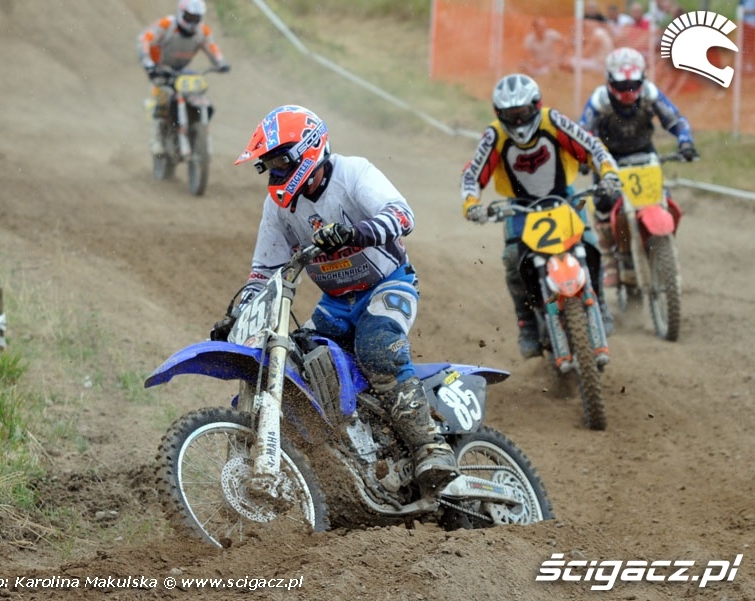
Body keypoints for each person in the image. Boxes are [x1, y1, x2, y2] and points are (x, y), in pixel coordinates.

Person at [211, 105, 458, 490]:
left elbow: (402, 215)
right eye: (269, 165)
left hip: (388, 284)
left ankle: (430, 446)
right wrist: (239, 314)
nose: (275, 172)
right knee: (294, 364)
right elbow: (264, 271)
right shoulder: (278, 206)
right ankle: (343, 455)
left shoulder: (352, 172)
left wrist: (354, 233)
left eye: (280, 162)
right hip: (336, 304)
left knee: (377, 348)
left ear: (306, 150)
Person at [460, 74, 621, 359]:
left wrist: (608, 173)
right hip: (520, 207)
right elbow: (472, 174)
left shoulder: (552, 120)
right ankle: (527, 325)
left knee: (590, 243)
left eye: (522, 112)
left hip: (564, 198)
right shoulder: (494, 135)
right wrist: (472, 204)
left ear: (535, 106)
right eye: (511, 114)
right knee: (513, 259)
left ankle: (601, 304)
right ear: (499, 113)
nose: (518, 121)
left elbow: (592, 146)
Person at [578, 47, 697, 287]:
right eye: (622, 86)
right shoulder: (600, 101)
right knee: (603, 202)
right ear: (610, 81)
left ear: (642, 79)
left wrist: (685, 141)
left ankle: (665, 248)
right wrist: (583, 156)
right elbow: (583, 131)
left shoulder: (650, 94)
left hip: (644, 153)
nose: (628, 92)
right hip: (608, 158)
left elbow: (675, 119)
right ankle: (609, 257)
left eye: (633, 84)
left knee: (664, 198)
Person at [137, 0, 231, 156]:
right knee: (161, 98)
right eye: (189, 17)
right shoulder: (167, 25)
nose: (192, 22)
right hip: (160, 69)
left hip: (182, 71)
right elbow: (144, 39)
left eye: (196, 18)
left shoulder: (203, 31)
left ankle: (196, 126)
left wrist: (221, 63)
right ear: (181, 13)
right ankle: (157, 139)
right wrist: (148, 63)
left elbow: (212, 47)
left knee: (198, 93)